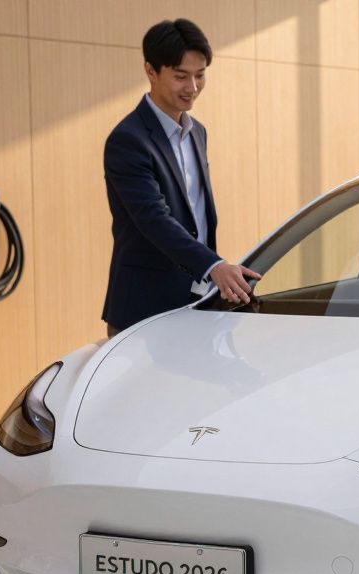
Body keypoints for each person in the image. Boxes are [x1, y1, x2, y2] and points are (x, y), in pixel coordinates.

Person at [101, 18, 259, 338]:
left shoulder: (197, 132)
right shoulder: (128, 140)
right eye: (181, 76)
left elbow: (196, 215)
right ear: (151, 71)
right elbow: (153, 219)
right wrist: (213, 266)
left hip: (195, 304)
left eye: (200, 75)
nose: (193, 87)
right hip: (143, 309)